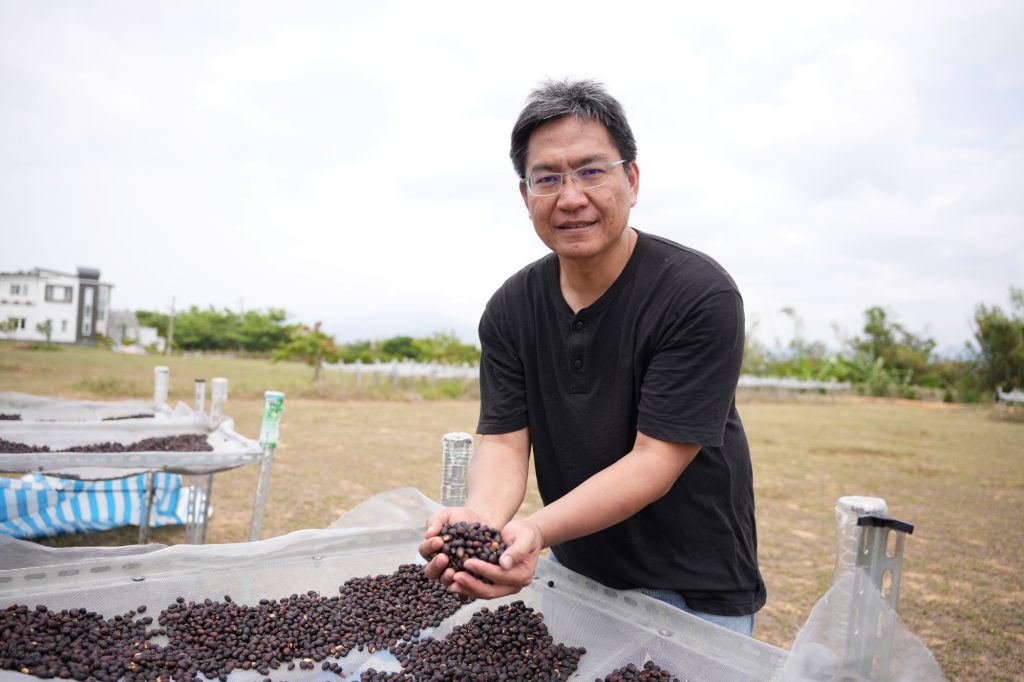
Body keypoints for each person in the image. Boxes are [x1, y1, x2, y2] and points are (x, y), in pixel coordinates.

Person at [419, 78, 765, 636]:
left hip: (693, 590)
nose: (571, 197)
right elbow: (504, 442)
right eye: (547, 178)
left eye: (591, 171)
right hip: (578, 577)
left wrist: (536, 530)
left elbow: (655, 458)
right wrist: (479, 522)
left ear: (632, 180)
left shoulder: (697, 294)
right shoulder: (511, 308)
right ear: (525, 196)